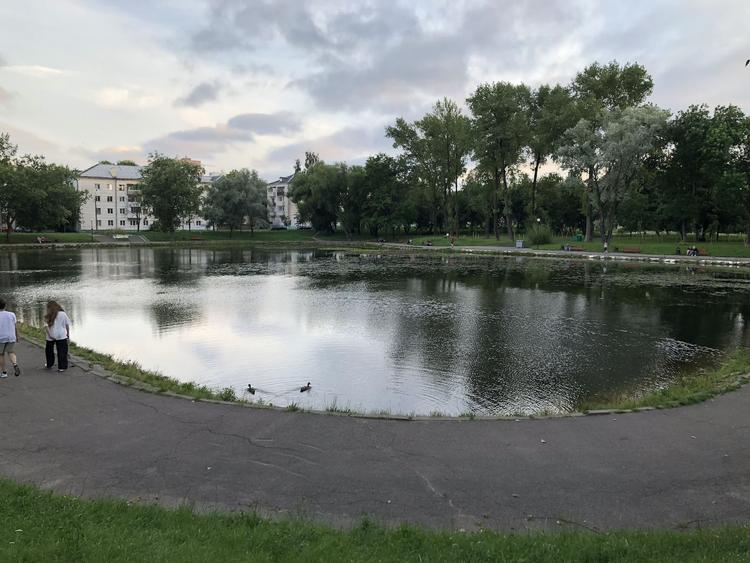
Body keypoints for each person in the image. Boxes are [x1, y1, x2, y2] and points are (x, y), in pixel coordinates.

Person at [44, 300, 71, 372]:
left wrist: (50, 335)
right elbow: (67, 325)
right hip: (61, 335)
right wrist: (68, 334)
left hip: (50, 336)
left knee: (49, 351)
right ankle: (62, 367)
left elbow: (46, 327)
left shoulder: (48, 315)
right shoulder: (63, 314)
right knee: (62, 351)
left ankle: (50, 364)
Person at [0, 298, 21, 378]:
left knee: (1, 354)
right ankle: (15, 364)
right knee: (11, 351)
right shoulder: (12, 314)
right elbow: (15, 326)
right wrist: (17, 335)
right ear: (5, 306)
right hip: (11, 336)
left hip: (1, 337)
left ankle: (4, 372)